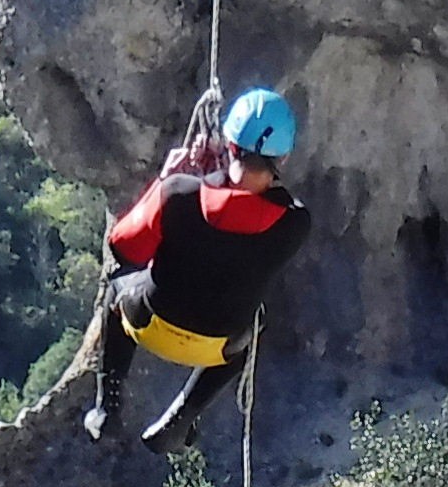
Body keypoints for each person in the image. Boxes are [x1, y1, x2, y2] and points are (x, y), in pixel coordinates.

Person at [84, 85, 312, 448]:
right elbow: (242, 217)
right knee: (258, 321)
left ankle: (107, 407)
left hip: (149, 325)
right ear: (282, 159)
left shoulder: (178, 192)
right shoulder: (295, 225)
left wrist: (167, 182)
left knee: (116, 285)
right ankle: (184, 415)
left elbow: (123, 248)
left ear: (228, 143)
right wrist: (206, 182)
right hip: (219, 348)